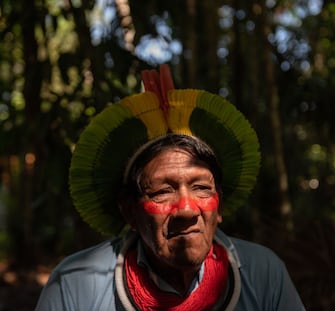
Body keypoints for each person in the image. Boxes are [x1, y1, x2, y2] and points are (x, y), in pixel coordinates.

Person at [35, 65, 305, 310]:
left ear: (219, 203)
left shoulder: (263, 274)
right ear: (130, 212)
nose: (187, 209)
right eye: (163, 191)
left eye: (201, 187)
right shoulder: (75, 284)